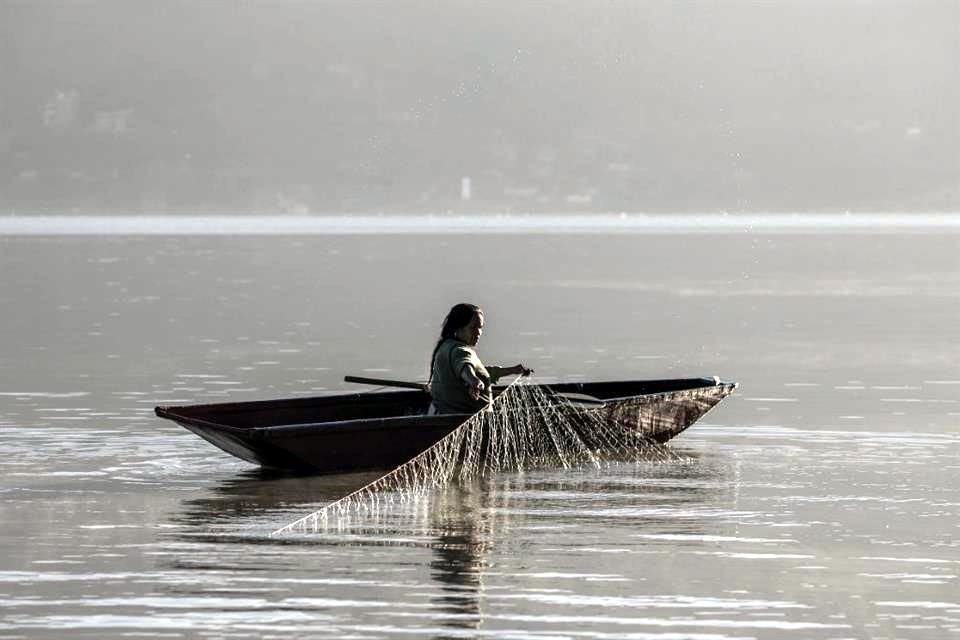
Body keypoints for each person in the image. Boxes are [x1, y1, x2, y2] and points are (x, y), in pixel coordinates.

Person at [427, 303, 532, 414]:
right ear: (459, 328)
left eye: (480, 327)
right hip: (461, 421)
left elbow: (480, 373)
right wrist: (473, 381)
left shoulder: (446, 346)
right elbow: (465, 367)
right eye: (473, 327)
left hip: (439, 411)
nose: (478, 333)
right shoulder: (461, 351)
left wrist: (512, 370)